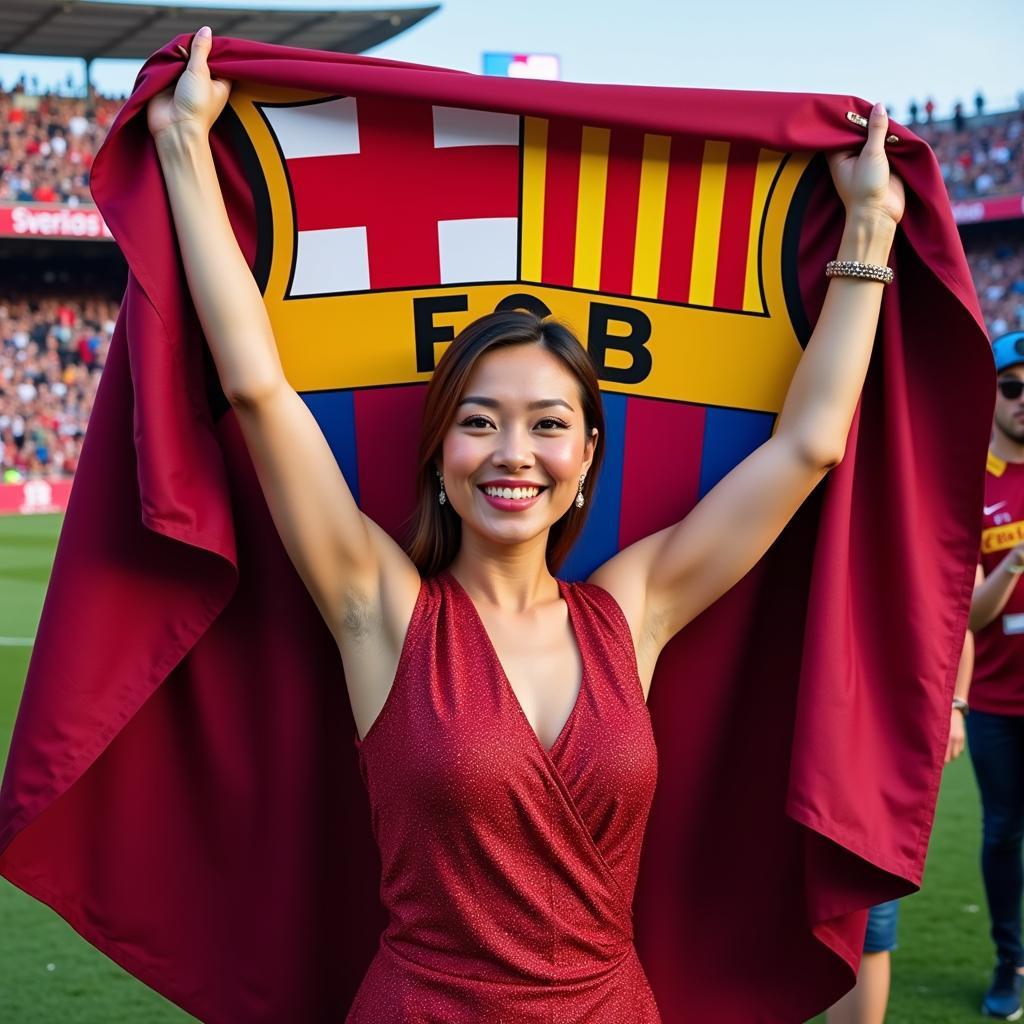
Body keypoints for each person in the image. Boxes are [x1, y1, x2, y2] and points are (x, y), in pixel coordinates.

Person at [145, 26, 905, 1021]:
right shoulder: (378, 606)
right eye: (478, 421)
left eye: (549, 424)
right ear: (438, 452)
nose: (513, 451)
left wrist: (868, 232)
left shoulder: (632, 609)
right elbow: (255, 386)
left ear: (586, 457)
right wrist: (182, 145)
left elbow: (807, 446)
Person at [825, 633, 974, 1024]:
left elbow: (960, 622)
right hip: (796, 734)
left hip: (872, 748)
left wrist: (956, 705)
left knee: (866, 917)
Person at [968, 330, 1024, 1021]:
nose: (1023, 402)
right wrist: (1012, 563)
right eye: (1012, 387)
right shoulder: (970, 480)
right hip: (993, 701)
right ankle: (1008, 960)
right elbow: (968, 619)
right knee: (1003, 832)